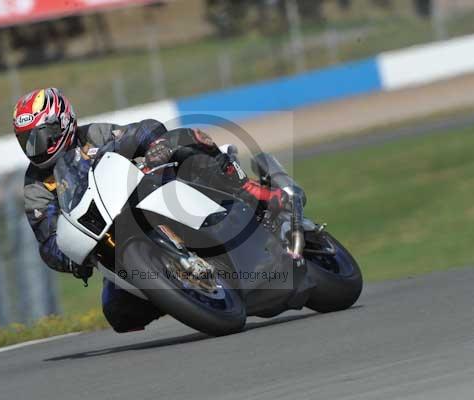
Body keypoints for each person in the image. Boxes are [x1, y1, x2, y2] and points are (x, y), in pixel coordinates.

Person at [14, 87, 287, 332]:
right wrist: (70, 258)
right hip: (110, 243)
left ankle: (249, 190)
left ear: (62, 123)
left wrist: (155, 145)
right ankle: (182, 292)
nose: (32, 148)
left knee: (185, 142)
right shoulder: (35, 186)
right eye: (25, 141)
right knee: (119, 314)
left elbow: (137, 132)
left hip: (144, 199)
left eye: (39, 138)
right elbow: (48, 238)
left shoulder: (93, 135)